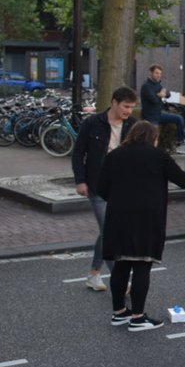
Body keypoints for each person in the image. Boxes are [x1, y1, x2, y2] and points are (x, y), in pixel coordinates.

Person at [97, 121, 185, 331]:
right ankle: (138, 317)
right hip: (147, 218)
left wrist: (117, 200)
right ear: (153, 138)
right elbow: (182, 178)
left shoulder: (114, 155)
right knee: (142, 264)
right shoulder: (158, 156)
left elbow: (101, 187)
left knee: (121, 264)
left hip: (119, 217)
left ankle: (119, 312)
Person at [70, 86, 138, 291]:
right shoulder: (92, 123)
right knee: (109, 231)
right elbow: (78, 153)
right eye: (126, 106)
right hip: (97, 185)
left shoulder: (133, 125)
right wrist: (80, 181)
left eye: (132, 107)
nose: (129, 111)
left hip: (122, 187)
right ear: (114, 103)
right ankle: (119, 280)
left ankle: (94, 274)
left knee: (107, 230)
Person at [139, 64, 185, 146]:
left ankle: (180, 140)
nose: (159, 75)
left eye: (160, 73)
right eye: (156, 73)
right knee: (154, 138)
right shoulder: (146, 86)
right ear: (151, 73)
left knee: (179, 118)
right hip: (150, 117)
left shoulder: (158, 85)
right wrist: (159, 95)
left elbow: (168, 95)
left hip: (159, 115)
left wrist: (164, 93)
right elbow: (154, 100)